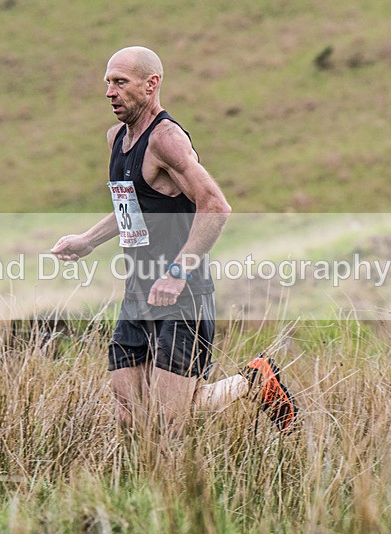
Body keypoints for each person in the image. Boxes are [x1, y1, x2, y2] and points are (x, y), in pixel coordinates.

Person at [51, 46, 296, 434]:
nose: (110, 92)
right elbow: (132, 209)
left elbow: (215, 206)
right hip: (138, 290)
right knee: (130, 415)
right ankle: (142, 483)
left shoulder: (166, 140)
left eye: (120, 82)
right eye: (107, 83)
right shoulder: (116, 137)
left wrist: (178, 272)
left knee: (169, 418)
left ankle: (254, 382)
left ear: (151, 85)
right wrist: (87, 241)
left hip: (183, 295)